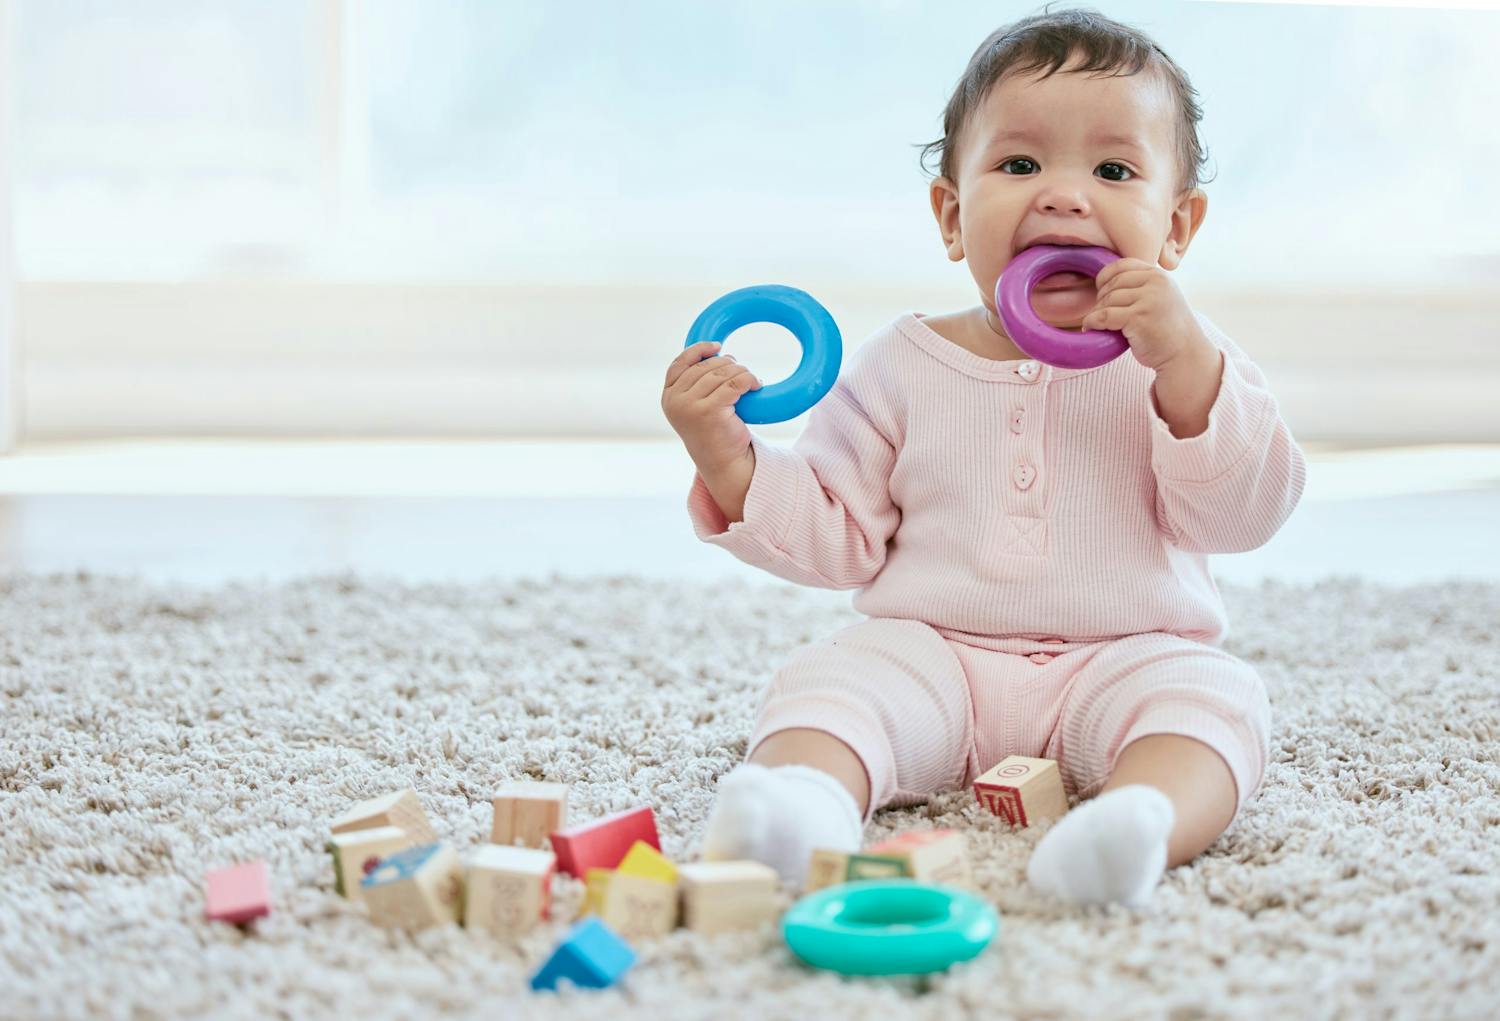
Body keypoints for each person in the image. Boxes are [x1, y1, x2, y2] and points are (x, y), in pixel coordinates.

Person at [660, 5, 1306, 908]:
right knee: (833, 678)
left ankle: (1135, 825)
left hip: (1125, 653)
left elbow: (1242, 516)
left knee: (1215, 699)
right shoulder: (903, 363)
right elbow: (838, 539)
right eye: (1019, 164)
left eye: (1114, 169)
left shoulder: (1188, 361)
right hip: (934, 655)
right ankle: (797, 809)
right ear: (953, 216)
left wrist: (1188, 368)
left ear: (1176, 230)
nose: (1064, 194)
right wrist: (728, 455)